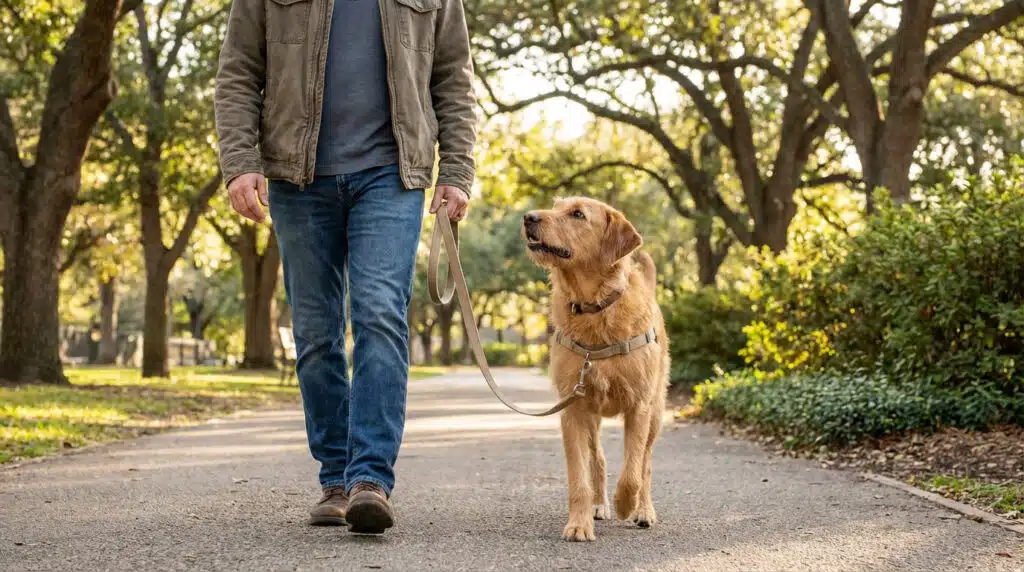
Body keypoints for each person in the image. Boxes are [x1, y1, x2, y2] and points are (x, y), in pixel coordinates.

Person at [214, 0, 476, 534]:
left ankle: (369, 480)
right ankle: (335, 478)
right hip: (297, 177)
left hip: (392, 175)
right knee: (315, 333)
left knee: (379, 314)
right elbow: (238, 72)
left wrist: (457, 170)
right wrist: (239, 163)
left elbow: (454, 78)